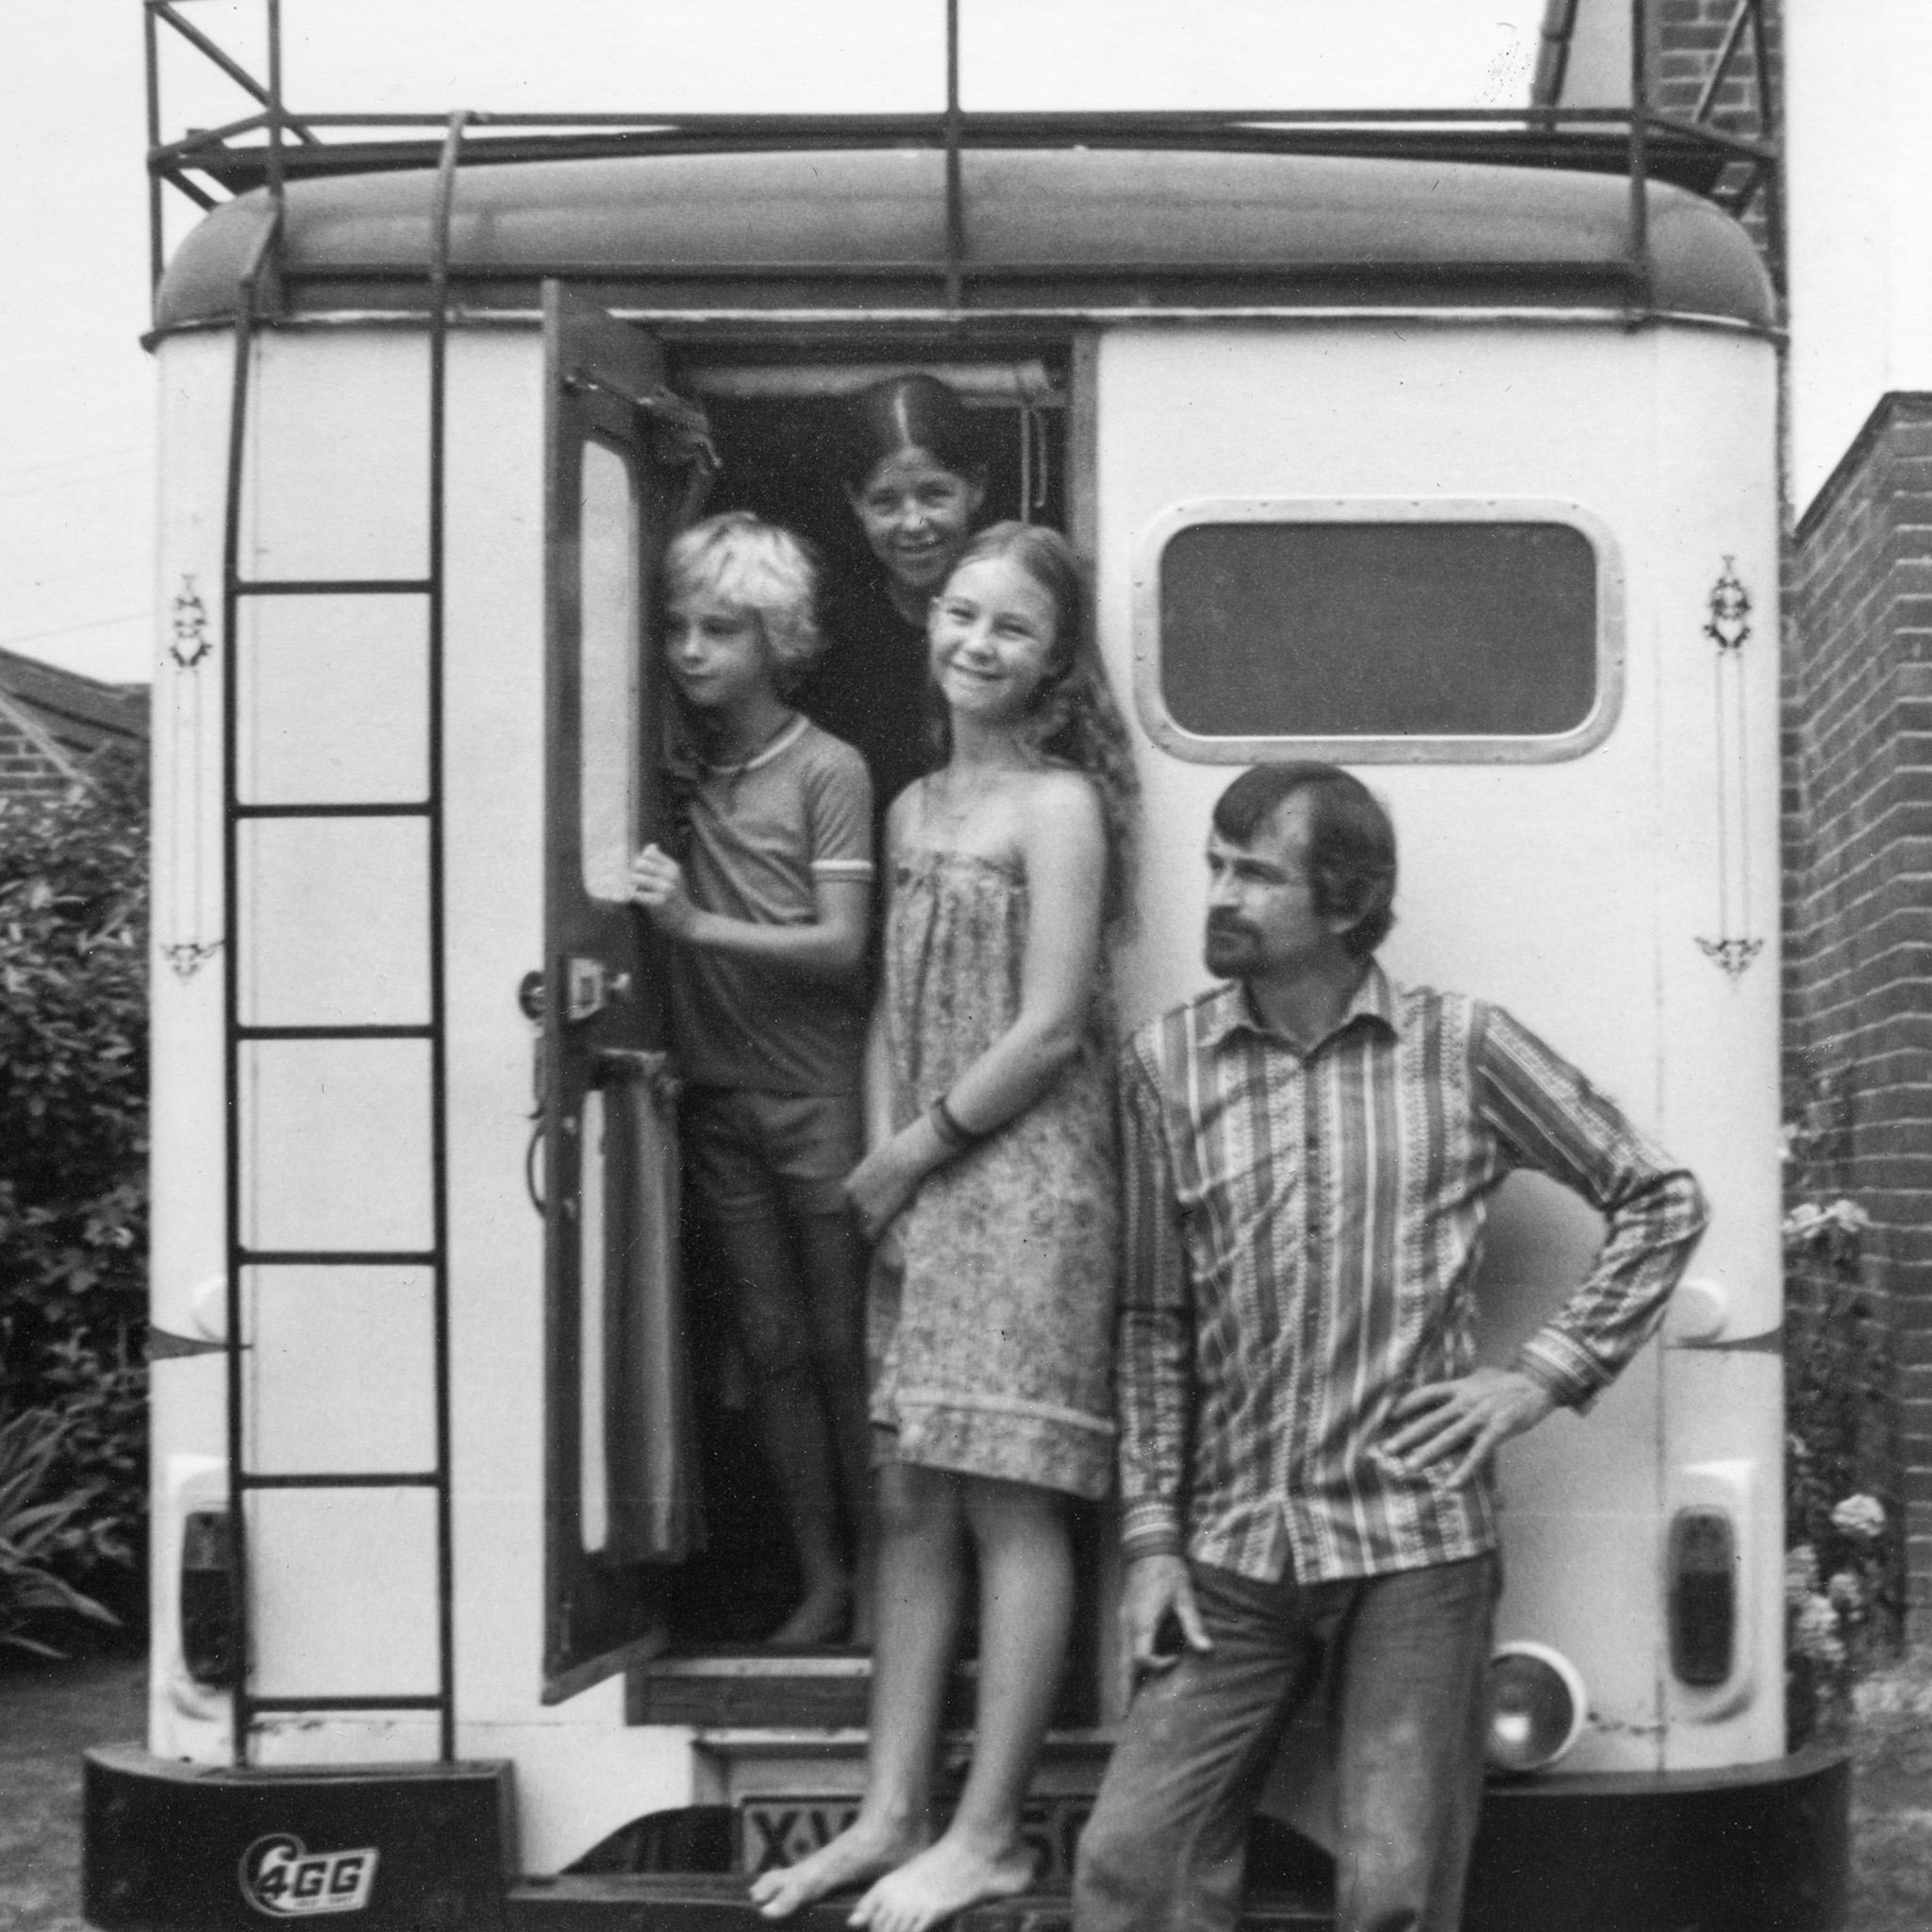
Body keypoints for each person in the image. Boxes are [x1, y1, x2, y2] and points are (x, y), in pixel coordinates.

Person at [1073, 763, 1710, 1932]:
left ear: (1347, 901)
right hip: (1232, 1549)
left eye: (1255, 873)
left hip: (1414, 1544)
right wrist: (1152, 1540)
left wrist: (1538, 1377)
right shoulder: (1163, 1067)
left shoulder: (1460, 1049)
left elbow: (1657, 1195)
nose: (1220, 892)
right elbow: (1152, 1320)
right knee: (1130, 1861)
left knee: (1394, 1895)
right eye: (1216, 863)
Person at [751, 524, 1137, 1932]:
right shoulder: (910, 808)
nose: (977, 643)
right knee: (909, 1497)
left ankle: (986, 1835)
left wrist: (911, 1153)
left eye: (1012, 628)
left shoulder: (1060, 807)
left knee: (1006, 1499)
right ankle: (890, 1811)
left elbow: (1047, 1032)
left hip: (1027, 1179)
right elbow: (885, 1018)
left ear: (1051, 660)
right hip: (918, 1179)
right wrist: (881, 1169)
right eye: (961, 616)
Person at [629, 511, 874, 1646]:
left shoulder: (829, 767)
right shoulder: (667, 766)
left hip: (815, 1096)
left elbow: (840, 946)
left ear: (776, 637)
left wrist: (690, 922)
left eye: (718, 629)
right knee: (772, 1352)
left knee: (843, 1347)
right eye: (675, 627)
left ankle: (889, 1581)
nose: (689, 650)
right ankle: (823, 1580)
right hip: (715, 1099)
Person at [800, 373, 989, 828]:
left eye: (935, 494)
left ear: (975, 488)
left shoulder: (1007, 632)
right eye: (886, 502)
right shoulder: (829, 635)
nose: (913, 522)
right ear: (855, 502)